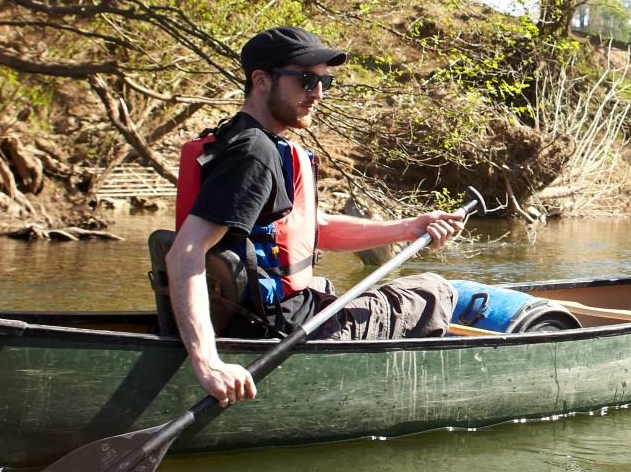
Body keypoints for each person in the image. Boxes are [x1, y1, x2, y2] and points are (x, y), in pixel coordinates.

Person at [165, 26, 467, 406]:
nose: (318, 93)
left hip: (253, 316)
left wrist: (411, 227)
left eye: (326, 81)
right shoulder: (255, 153)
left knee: (325, 284)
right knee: (433, 290)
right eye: (306, 80)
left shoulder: (236, 140)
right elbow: (184, 252)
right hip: (282, 332)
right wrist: (208, 363)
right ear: (261, 80)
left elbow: (313, 228)